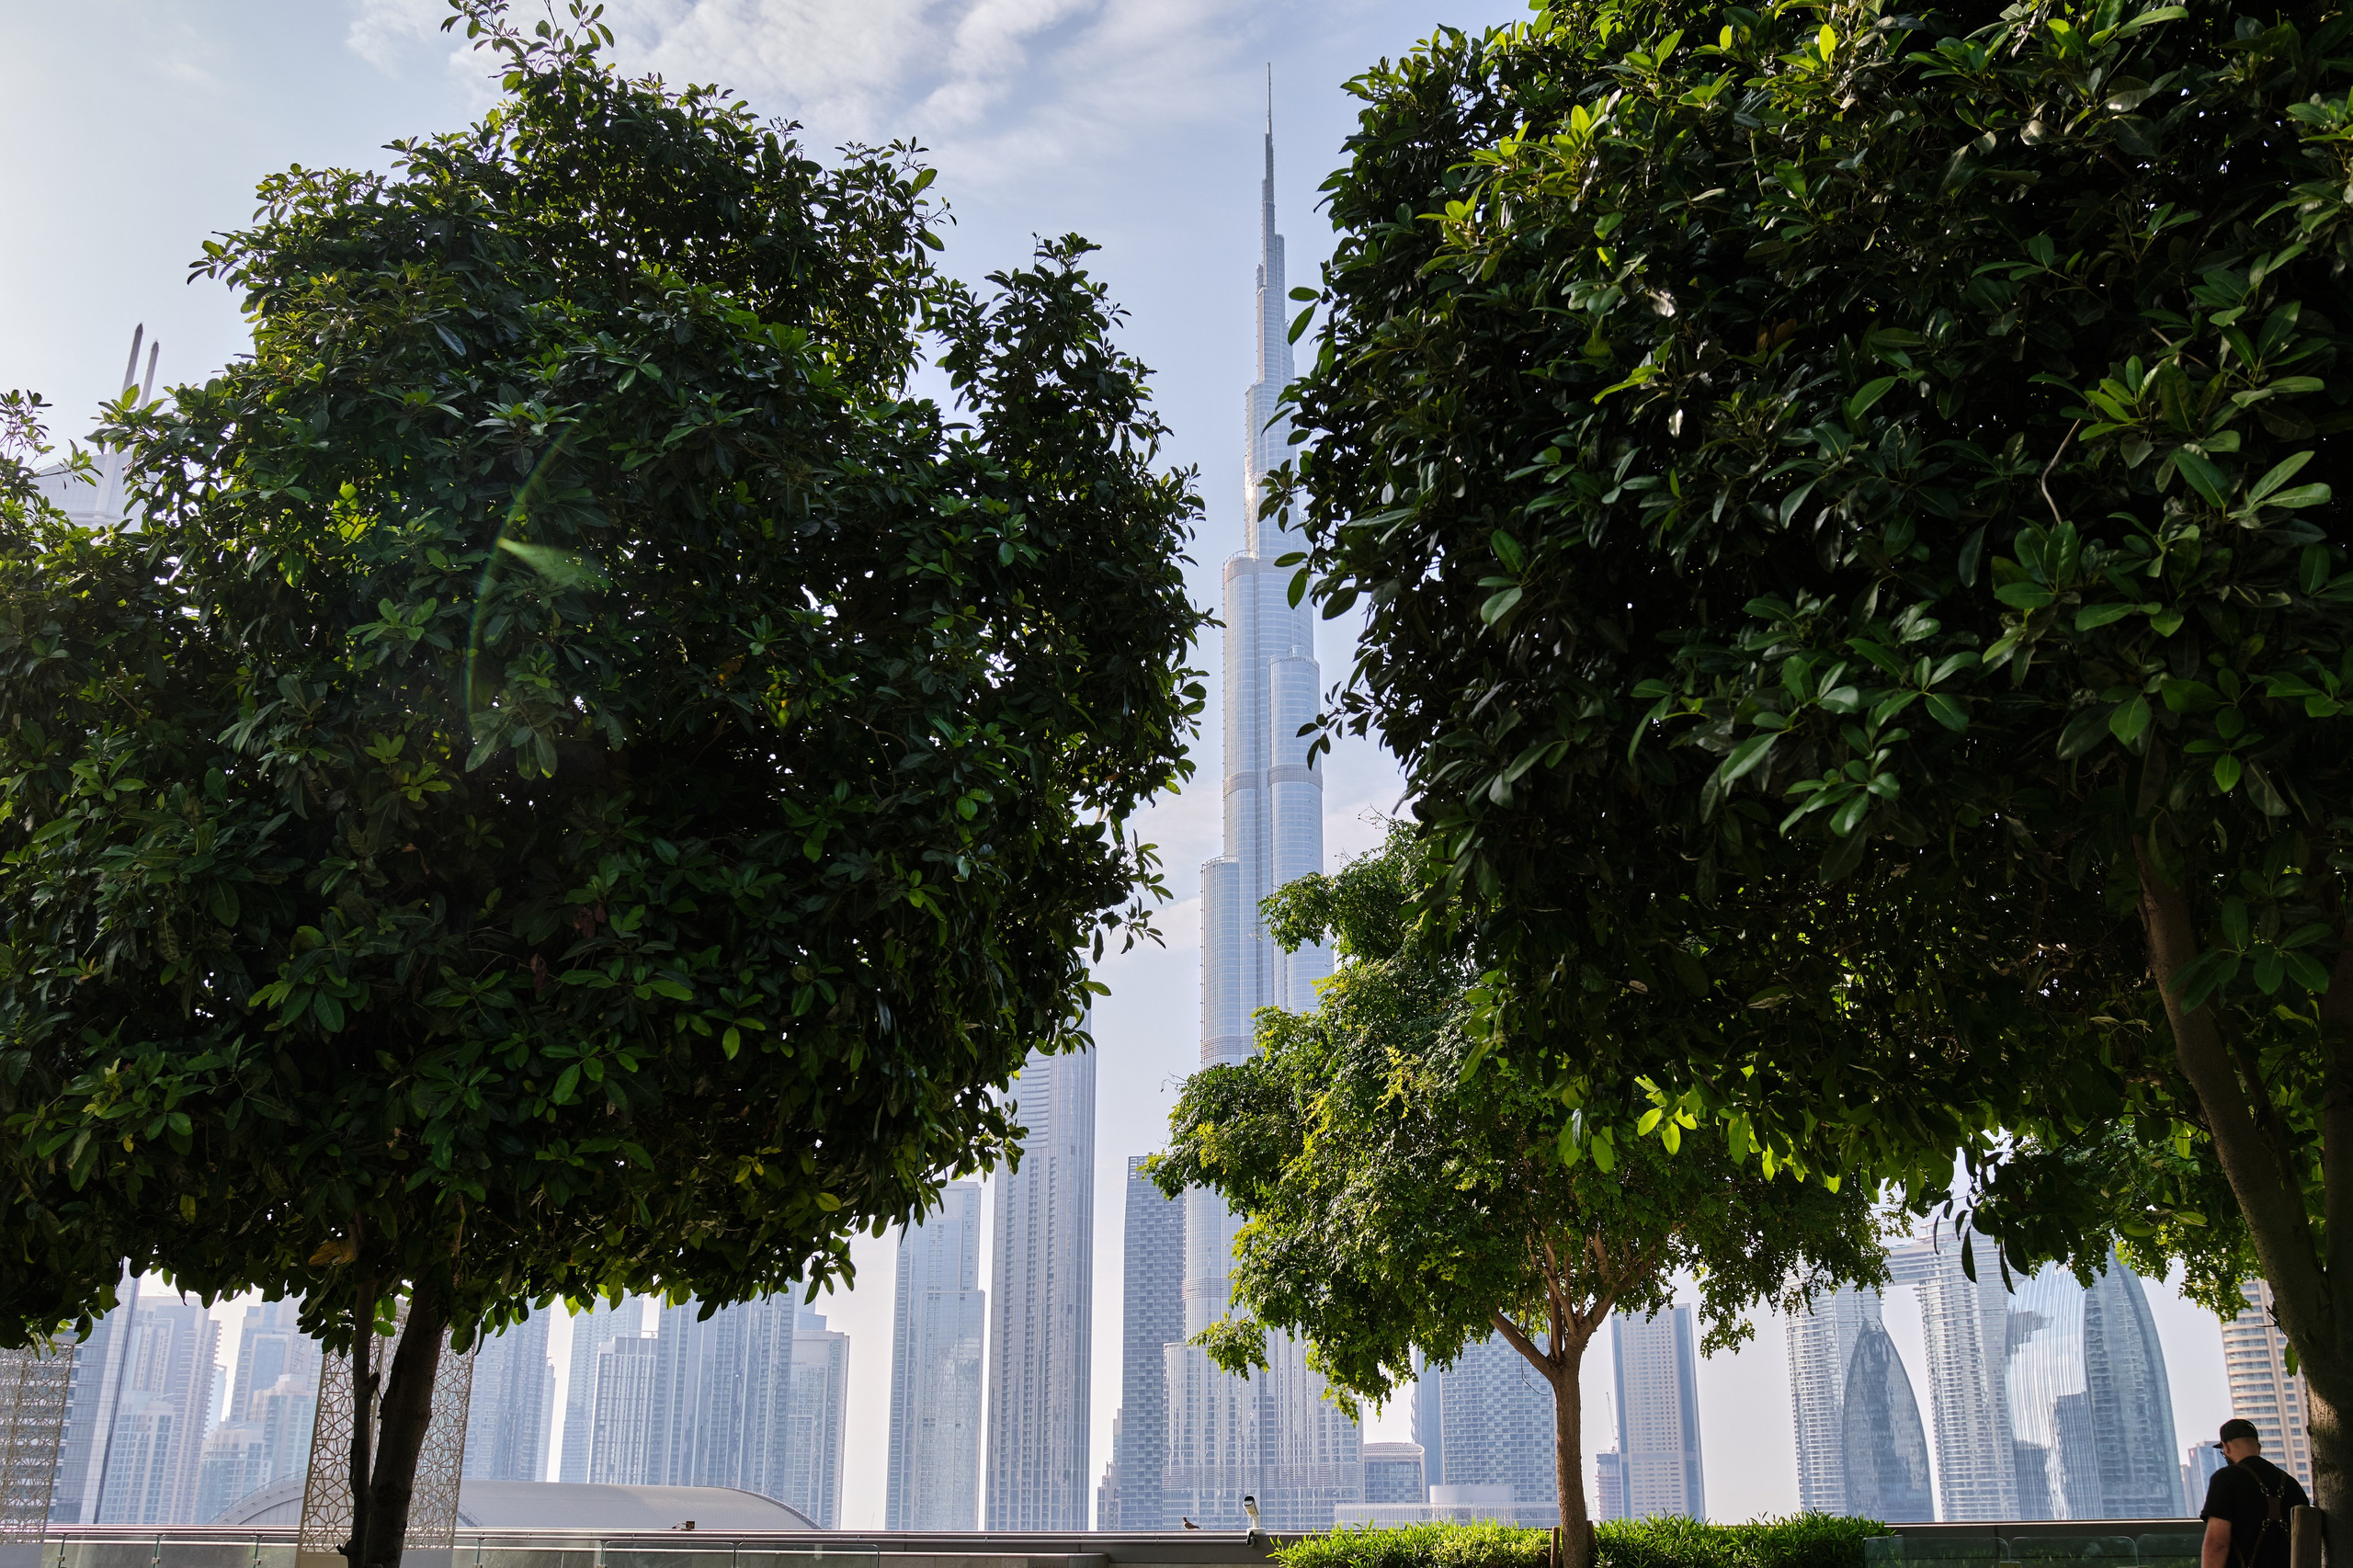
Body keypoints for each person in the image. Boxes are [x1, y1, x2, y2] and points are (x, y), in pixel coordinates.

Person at [2200, 1417, 2310, 1568]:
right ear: (2258, 1447)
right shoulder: (2292, 1484)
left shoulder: (2224, 1479)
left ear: (2226, 1448)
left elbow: (2217, 1543)